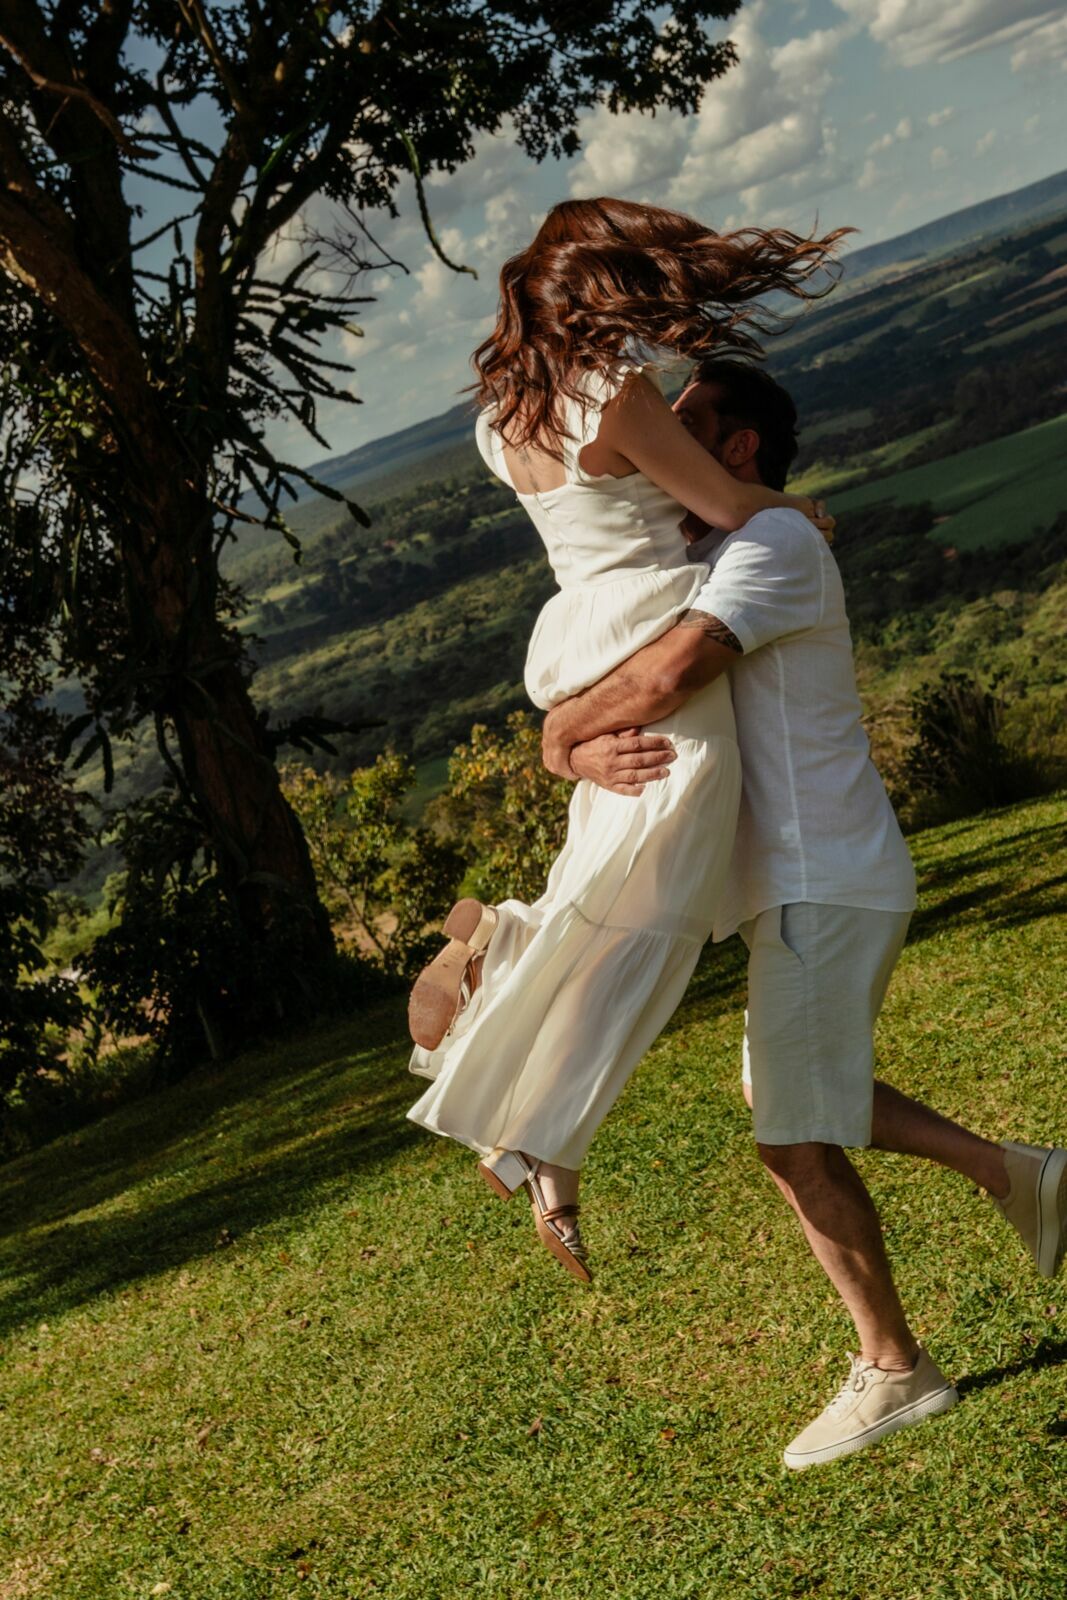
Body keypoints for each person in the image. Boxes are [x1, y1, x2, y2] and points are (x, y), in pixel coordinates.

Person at [540, 356, 1067, 1466]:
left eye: (679, 428)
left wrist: (557, 736)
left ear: (734, 452)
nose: (651, 449)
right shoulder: (705, 549)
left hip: (820, 877)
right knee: (777, 1092)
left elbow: (668, 675)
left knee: (788, 1135)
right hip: (806, 880)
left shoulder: (769, 548)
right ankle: (1014, 1175)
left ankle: (893, 1368)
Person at [405, 198, 844, 1283]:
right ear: (601, 284)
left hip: (584, 638)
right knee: (659, 909)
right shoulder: (616, 391)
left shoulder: (500, 414)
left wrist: (563, 738)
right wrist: (800, 510)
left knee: (615, 884)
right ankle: (510, 971)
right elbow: (720, 501)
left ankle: (540, 1127)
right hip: (655, 624)